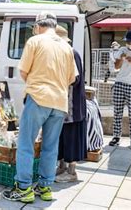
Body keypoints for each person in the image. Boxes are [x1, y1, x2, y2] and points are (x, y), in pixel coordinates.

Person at [2, 12, 75, 203]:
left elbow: (23, 71)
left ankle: (24, 188)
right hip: (60, 102)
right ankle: (45, 188)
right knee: (50, 147)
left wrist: (36, 84)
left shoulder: (35, 41)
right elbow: (72, 78)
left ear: (37, 26)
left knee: (26, 143)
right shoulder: (66, 47)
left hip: (38, 97)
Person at [55, 25, 87, 183]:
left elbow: (75, 79)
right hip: (62, 102)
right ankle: (61, 166)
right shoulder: (63, 53)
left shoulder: (72, 53)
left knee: (71, 136)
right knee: (61, 136)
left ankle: (72, 171)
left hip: (72, 104)